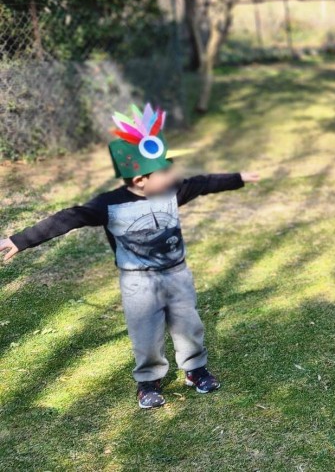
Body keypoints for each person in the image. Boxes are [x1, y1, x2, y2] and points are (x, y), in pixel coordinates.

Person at [0, 103, 260, 409]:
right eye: (165, 171)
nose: (174, 175)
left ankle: (195, 369)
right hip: (138, 283)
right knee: (145, 332)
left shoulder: (173, 191)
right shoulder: (109, 204)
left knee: (188, 323)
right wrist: (20, 240)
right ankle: (148, 381)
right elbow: (69, 217)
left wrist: (238, 177)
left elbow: (203, 183)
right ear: (140, 180)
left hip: (177, 274)